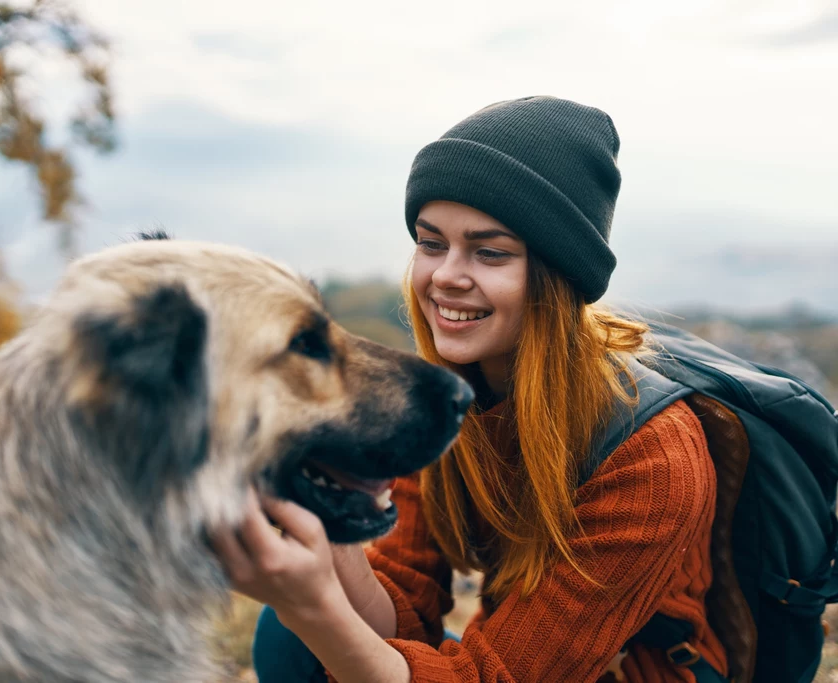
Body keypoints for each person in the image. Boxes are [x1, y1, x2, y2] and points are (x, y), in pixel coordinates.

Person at [210, 96, 728, 683]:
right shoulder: (451, 392)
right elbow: (400, 612)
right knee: (292, 634)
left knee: (315, 620)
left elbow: (495, 675)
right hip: (517, 659)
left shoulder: (654, 457)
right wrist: (331, 517)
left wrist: (315, 606)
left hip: (639, 673)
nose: (447, 277)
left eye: (490, 253)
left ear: (557, 277)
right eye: (431, 244)